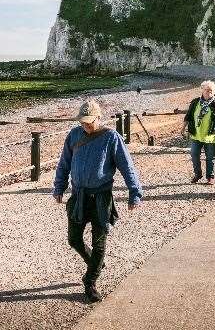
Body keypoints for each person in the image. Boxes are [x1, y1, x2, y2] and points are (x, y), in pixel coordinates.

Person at [53, 99, 143, 303]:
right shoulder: (74, 135)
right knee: (74, 239)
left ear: (98, 118)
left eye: (89, 122)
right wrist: (59, 187)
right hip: (78, 196)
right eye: (82, 122)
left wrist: (134, 193)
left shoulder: (112, 137)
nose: (85, 125)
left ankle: (90, 281)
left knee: (99, 244)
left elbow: (127, 167)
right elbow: (64, 163)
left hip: (101, 197)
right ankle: (96, 263)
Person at [181, 80, 215, 185]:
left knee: (210, 157)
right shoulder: (195, 102)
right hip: (196, 134)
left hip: (211, 136)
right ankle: (198, 174)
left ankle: (210, 177)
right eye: (206, 90)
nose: (208, 92)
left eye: (210, 90)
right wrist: (183, 128)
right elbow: (188, 116)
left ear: (213, 92)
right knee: (194, 154)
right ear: (202, 90)